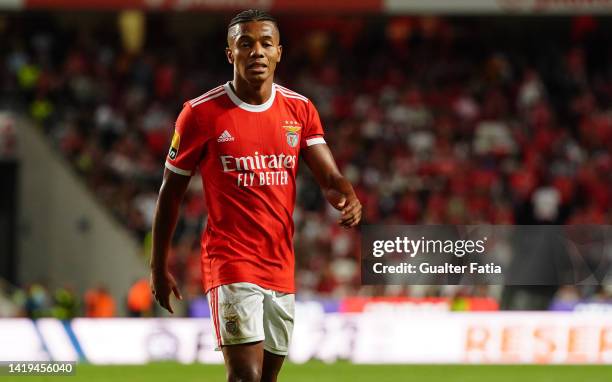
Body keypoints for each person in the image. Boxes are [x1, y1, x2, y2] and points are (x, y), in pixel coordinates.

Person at [150, 9, 361, 382]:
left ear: (280, 51)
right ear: (230, 53)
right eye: (245, 44)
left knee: (266, 378)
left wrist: (346, 194)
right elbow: (171, 192)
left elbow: (329, 175)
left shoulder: (299, 109)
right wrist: (158, 265)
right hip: (230, 261)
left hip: (280, 263)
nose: (257, 52)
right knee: (246, 375)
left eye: (266, 43)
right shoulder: (200, 115)